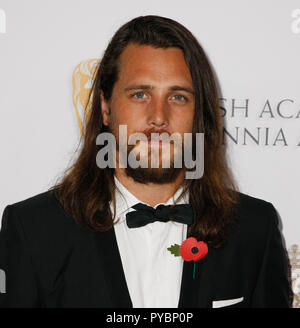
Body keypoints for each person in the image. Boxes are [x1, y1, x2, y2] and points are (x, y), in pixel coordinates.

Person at [0, 15, 292, 308]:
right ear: (105, 107)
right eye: (140, 94)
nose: (159, 117)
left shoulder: (254, 229)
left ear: (199, 114)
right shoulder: (33, 231)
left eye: (178, 97)